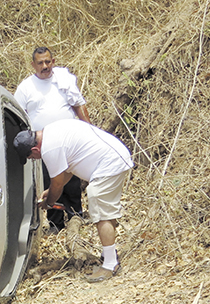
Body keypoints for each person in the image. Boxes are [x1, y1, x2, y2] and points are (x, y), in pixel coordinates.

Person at [13, 120, 133, 282]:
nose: (34, 159)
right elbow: (67, 170)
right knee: (104, 208)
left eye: (31, 157)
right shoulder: (51, 131)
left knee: (99, 208)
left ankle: (111, 265)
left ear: (35, 149)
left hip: (109, 164)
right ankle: (108, 253)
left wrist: (48, 203)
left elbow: (57, 186)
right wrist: (50, 192)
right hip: (115, 156)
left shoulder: (49, 149)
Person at [14, 47, 90, 231]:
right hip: (43, 144)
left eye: (48, 62)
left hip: (69, 140)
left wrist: (90, 130)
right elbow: (17, 114)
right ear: (33, 65)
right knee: (50, 181)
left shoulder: (63, 79)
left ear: (53, 61)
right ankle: (56, 223)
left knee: (71, 178)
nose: (45, 66)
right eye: (40, 63)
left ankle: (76, 216)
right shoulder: (26, 87)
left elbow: (79, 105)